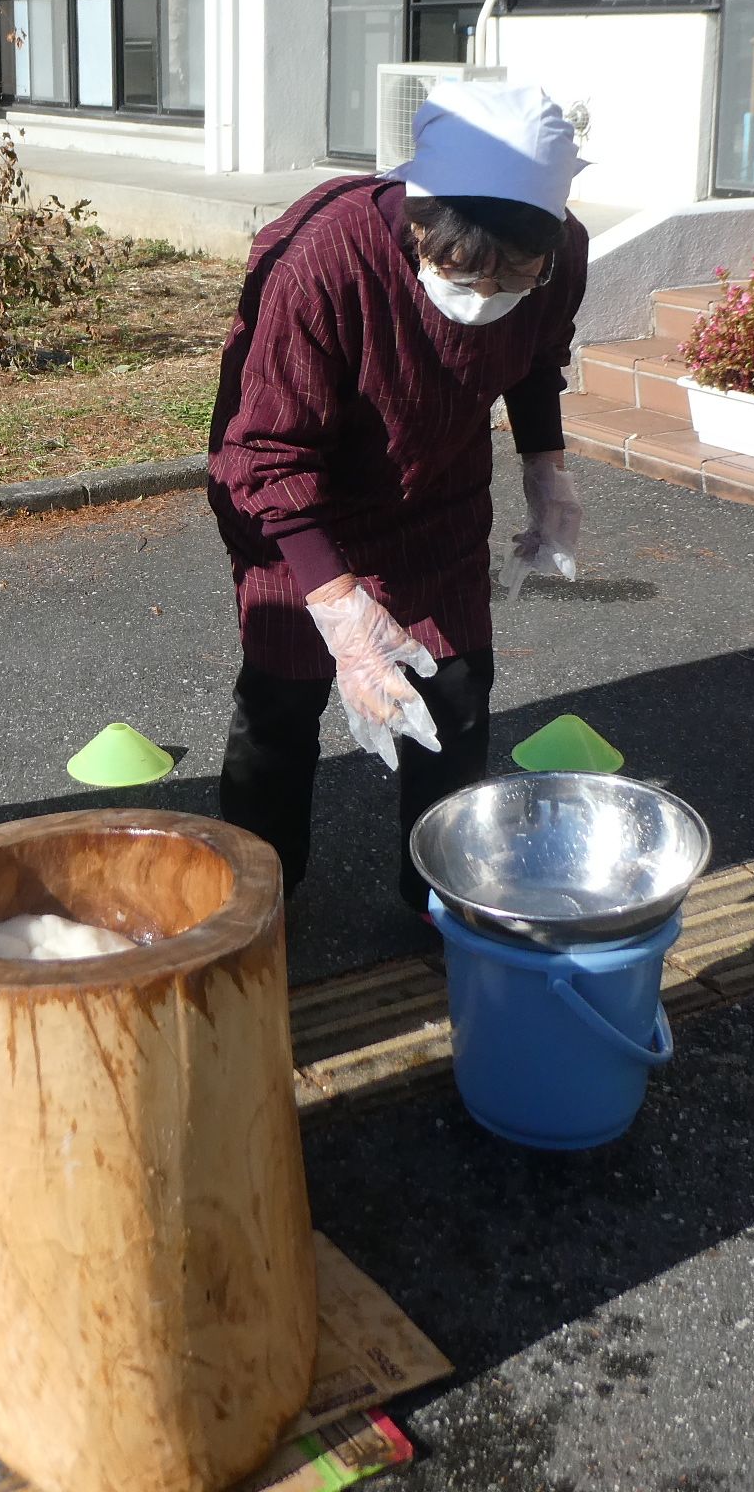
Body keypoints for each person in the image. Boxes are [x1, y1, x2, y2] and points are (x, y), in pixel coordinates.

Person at [206, 80, 592, 910]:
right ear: (420, 222)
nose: (485, 299)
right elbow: (268, 452)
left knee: (453, 690)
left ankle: (444, 905)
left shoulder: (558, 253)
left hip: (438, 487)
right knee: (286, 694)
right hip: (297, 504)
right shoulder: (325, 259)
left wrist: (545, 470)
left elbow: (535, 360)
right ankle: (256, 910)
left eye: (515, 276)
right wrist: (341, 613)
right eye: (462, 270)